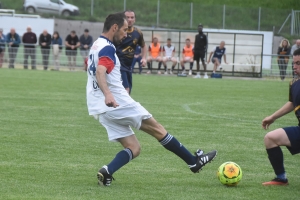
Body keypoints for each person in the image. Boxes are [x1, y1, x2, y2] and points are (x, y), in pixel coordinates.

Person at [86, 12, 217, 187]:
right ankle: (194, 162)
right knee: (158, 129)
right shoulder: (108, 48)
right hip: (117, 102)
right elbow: (100, 71)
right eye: (125, 30)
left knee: (134, 148)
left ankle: (107, 171)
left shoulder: (96, 45)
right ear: (115, 27)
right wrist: (109, 94)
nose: (126, 34)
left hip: (99, 107)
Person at [261, 48, 300, 186]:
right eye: (294, 63)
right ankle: (281, 178)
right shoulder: (294, 82)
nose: (295, 66)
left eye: (299, 63)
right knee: (270, 138)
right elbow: (291, 103)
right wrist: (272, 117)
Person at [116, 10, 147, 94]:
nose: (129, 19)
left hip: (128, 66)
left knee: (128, 92)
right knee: (126, 90)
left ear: (135, 20)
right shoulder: (117, 31)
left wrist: (143, 58)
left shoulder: (138, 33)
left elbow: (143, 45)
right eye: (127, 17)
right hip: (119, 65)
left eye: (132, 17)